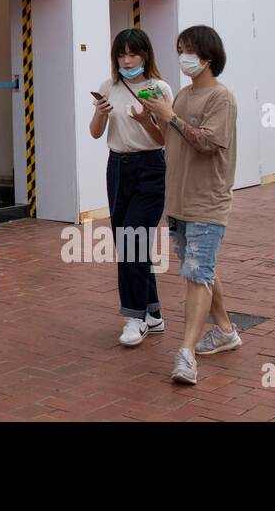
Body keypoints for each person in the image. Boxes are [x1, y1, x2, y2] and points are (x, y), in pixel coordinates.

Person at [141, 25, 240, 386]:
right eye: (180, 48)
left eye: (190, 50)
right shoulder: (181, 96)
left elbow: (206, 143)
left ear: (208, 56)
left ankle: (186, 352)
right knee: (202, 269)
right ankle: (227, 331)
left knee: (197, 275)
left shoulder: (221, 98)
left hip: (207, 202)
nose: (184, 57)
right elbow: (169, 139)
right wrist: (150, 121)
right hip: (178, 202)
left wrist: (170, 117)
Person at [89, 28, 171, 347]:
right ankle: (152, 312)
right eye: (121, 55)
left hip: (150, 167)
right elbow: (96, 133)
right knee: (130, 242)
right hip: (118, 168)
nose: (126, 60)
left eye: (132, 54)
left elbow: (166, 138)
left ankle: (134, 317)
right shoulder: (108, 86)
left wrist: (144, 121)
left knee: (133, 238)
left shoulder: (158, 88)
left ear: (145, 55)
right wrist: (100, 112)